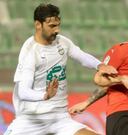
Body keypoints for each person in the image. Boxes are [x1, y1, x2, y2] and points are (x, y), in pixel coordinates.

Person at [4, 3, 118, 135]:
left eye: (58, 25)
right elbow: (23, 92)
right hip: (31, 121)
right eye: (52, 26)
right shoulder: (30, 53)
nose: (57, 30)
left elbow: (81, 56)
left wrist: (100, 65)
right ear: (38, 25)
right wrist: (45, 95)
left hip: (60, 118)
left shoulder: (62, 42)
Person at [69, 15, 128, 135]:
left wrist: (87, 103)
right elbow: (99, 78)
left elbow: (109, 85)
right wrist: (122, 79)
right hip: (122, 115)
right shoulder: (121, 50)